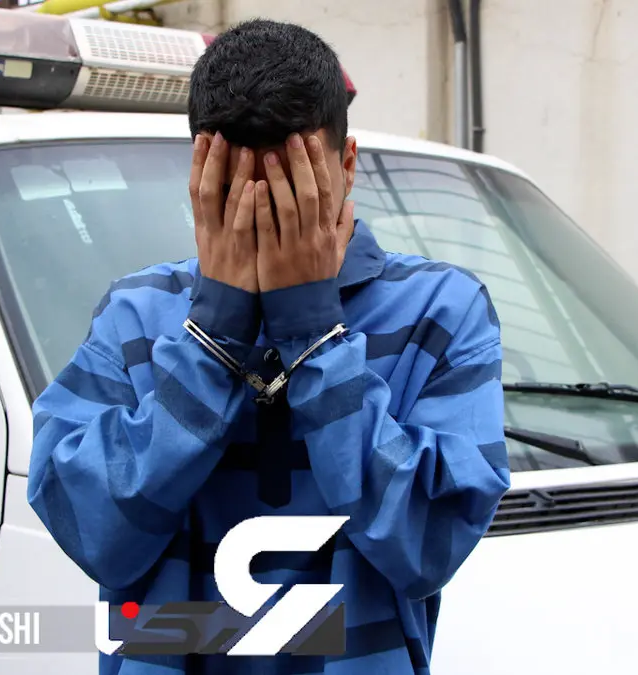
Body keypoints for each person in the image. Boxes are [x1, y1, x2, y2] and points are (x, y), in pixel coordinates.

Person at [28, 18, 511, 675]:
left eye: (292, 193)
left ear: (346, 166)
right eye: (238, 193)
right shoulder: (136, 313)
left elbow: (429, 544)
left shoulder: (439, 312)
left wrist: (313, 332)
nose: (265, 219)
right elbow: (91, 531)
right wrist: (212, 334)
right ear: (199, 178)